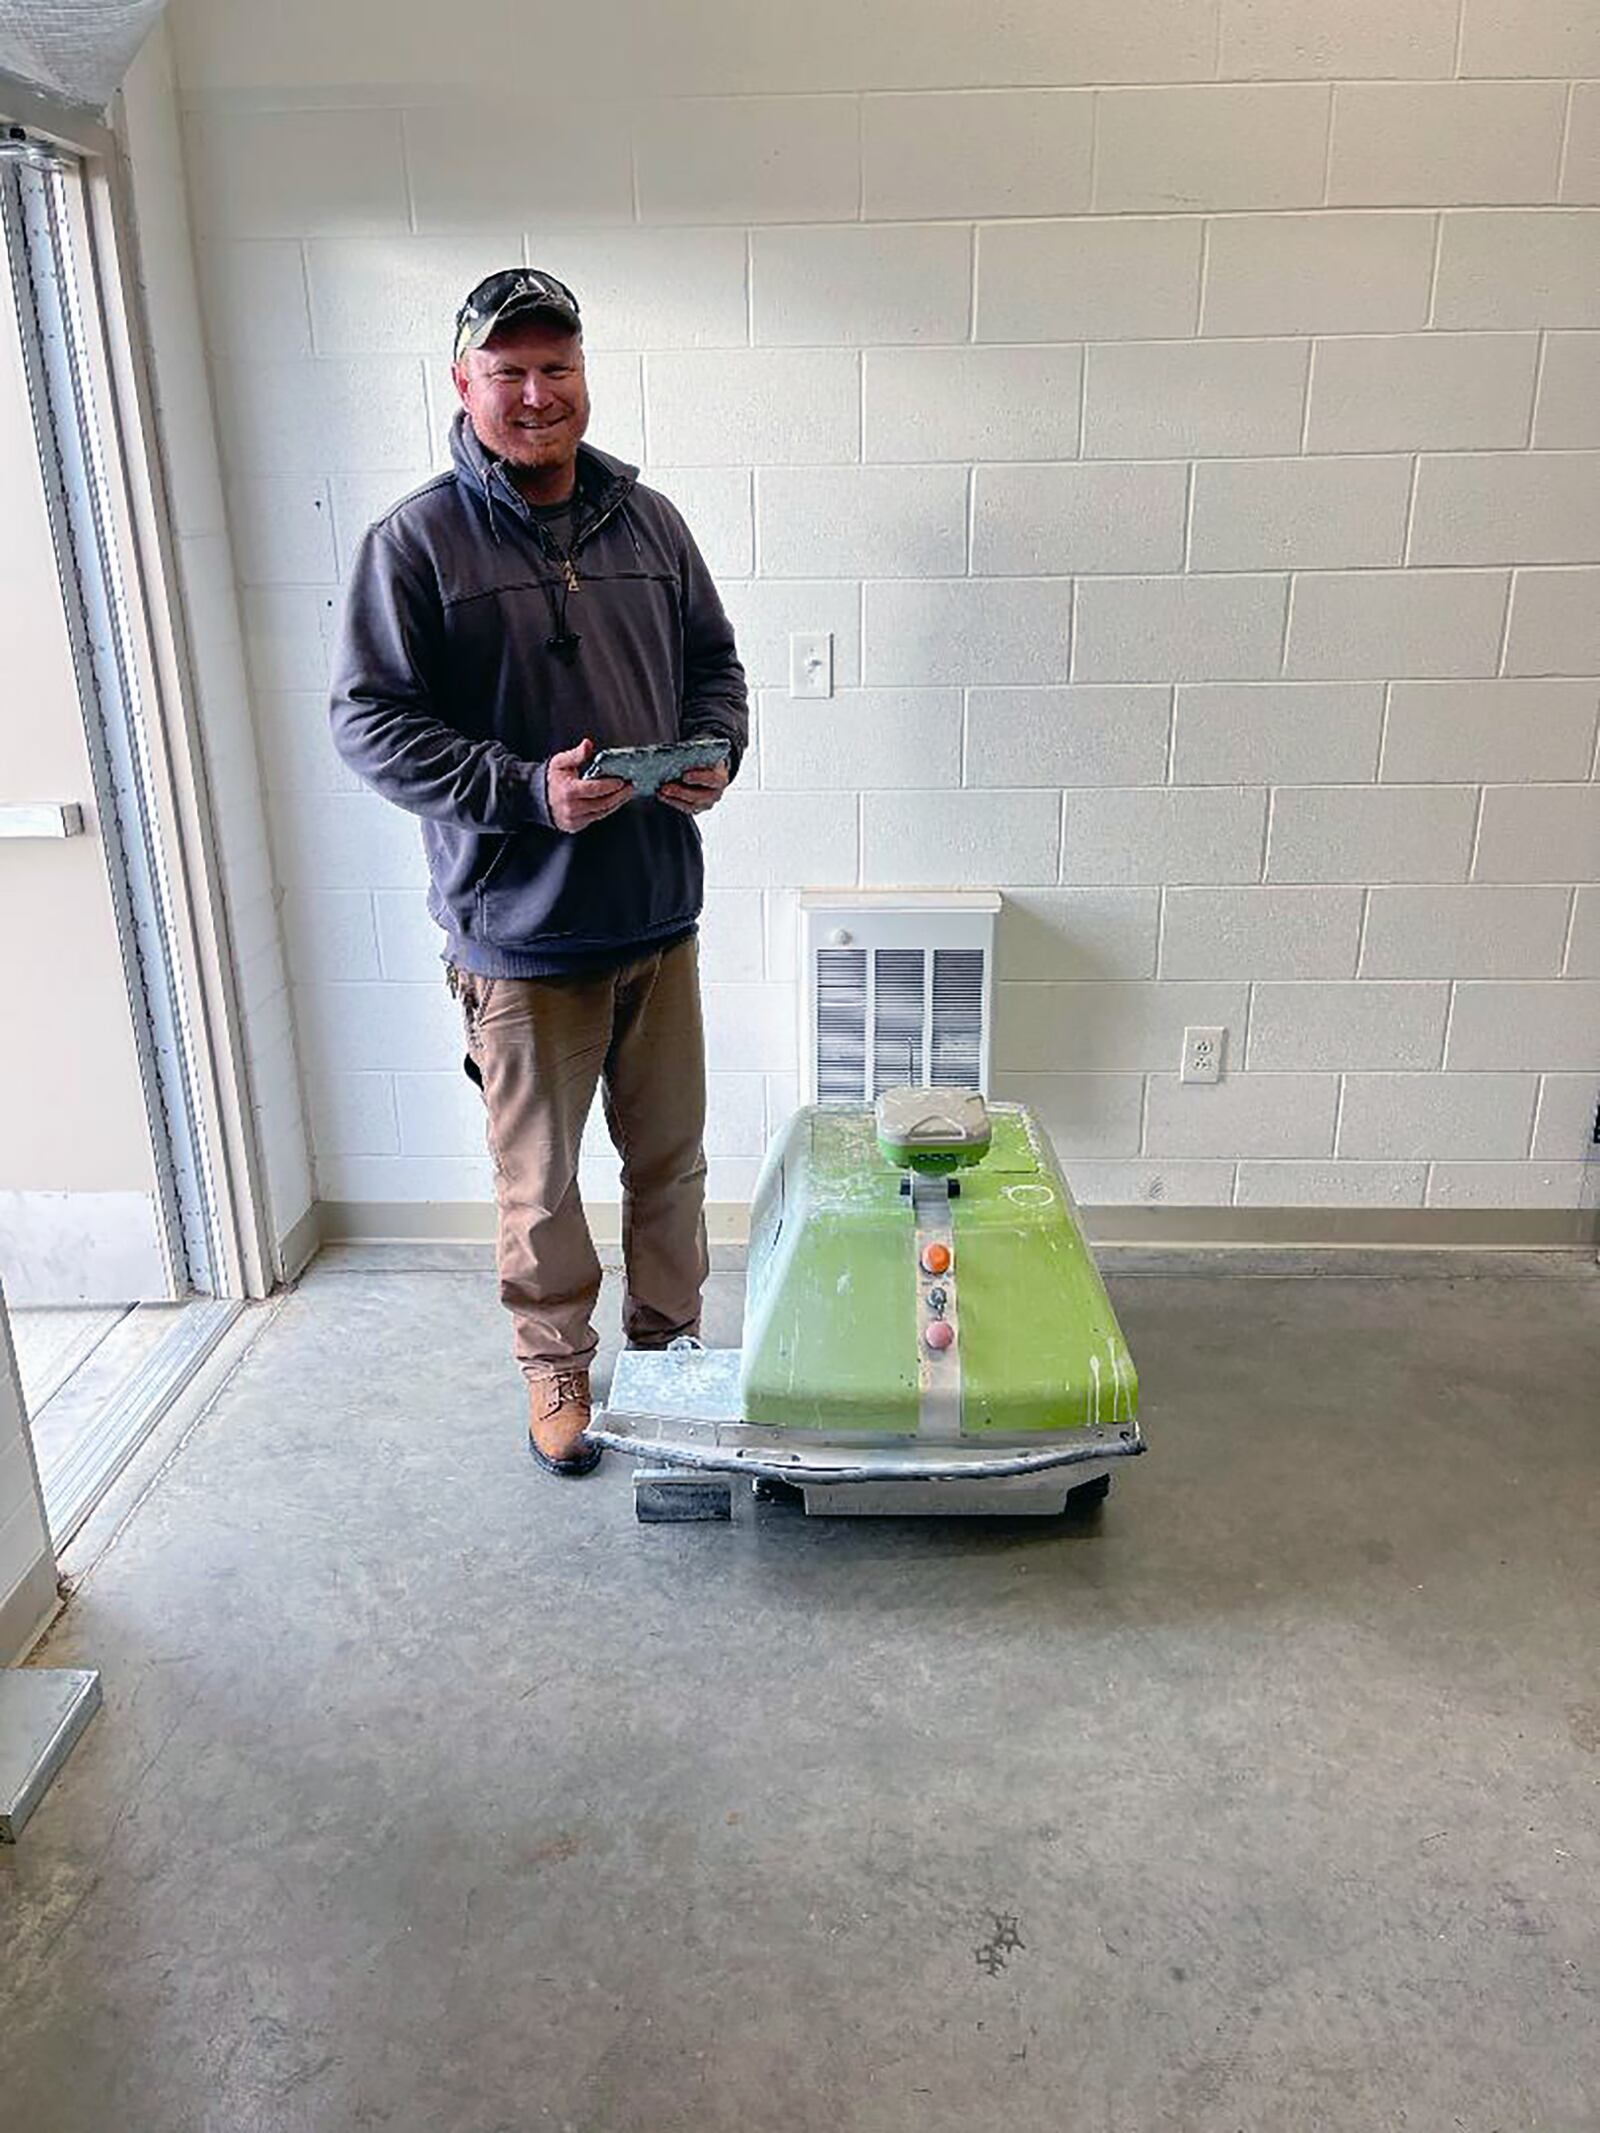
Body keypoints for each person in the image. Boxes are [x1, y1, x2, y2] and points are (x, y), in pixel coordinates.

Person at [329, 268, 748, 1478]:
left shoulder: (650, 521)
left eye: (554, 367)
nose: (534, 392)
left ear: (582, 375)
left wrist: (715, 750)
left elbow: (713, 664)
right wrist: (526, 792)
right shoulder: (414, 543)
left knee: (671, 1164)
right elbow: (370, 723)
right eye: (506, 371)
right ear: (463, 385)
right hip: (520, 937)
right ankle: (554, 1365)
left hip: (658, 913)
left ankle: (668, 1352)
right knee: (542, 1182)